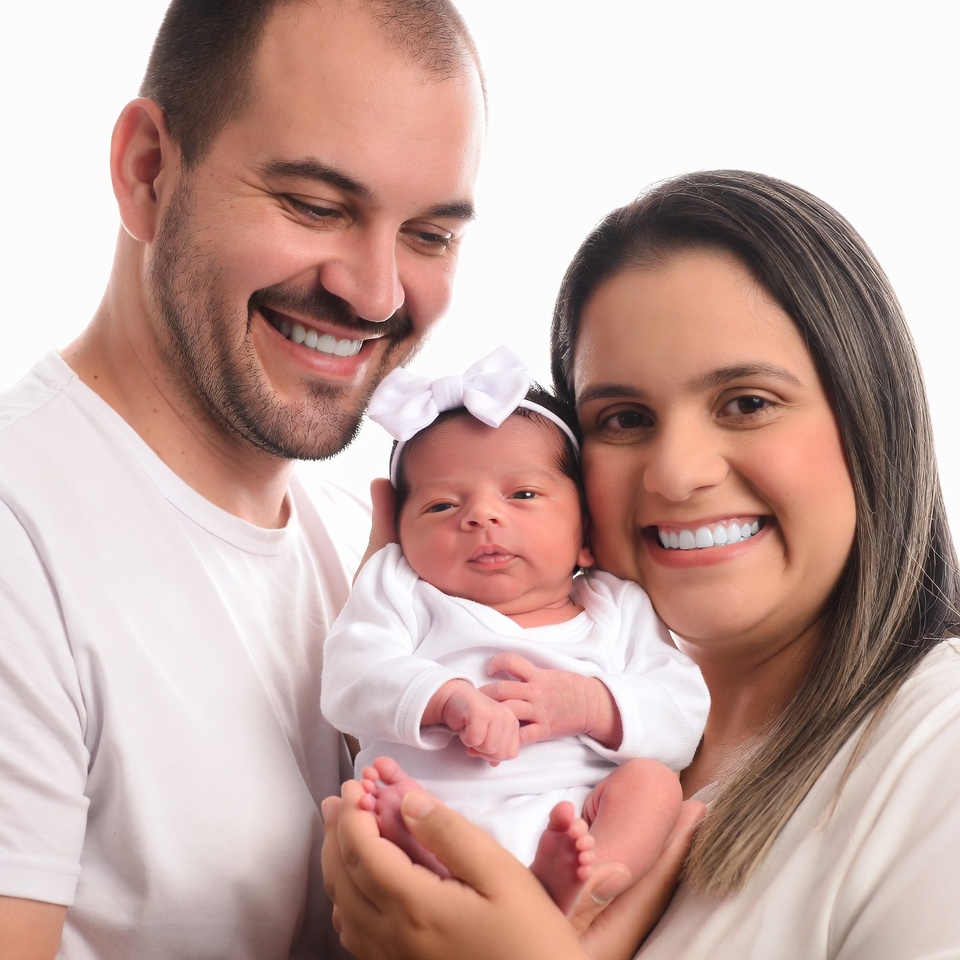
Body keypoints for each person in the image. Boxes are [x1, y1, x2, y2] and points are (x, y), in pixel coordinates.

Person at [319, 169, 960, 960]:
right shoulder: (659, 724)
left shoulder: (939, 747)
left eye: (747, 402)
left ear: (874, 418)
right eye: (624, 418)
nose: (677, 473)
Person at [0, 0, 486, 957]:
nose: (378, 293)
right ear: (148, 173)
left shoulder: (366, 543)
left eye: (429, 234)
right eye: (315, 206)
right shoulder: (22, 536)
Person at [320, 346, 710, 913]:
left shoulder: (616, 605)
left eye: (522, 495)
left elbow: (682, 711)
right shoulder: (403, 587)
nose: (480, 516)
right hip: (435, 815)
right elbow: (352, 675)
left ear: (585, 535)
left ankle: (590, 882)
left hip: (575, 818)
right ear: (400, 534)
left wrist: (593, 703)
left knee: (651, 783)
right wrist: (443, 698)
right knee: (371, 798)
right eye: (440, 505)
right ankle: (439, 874)